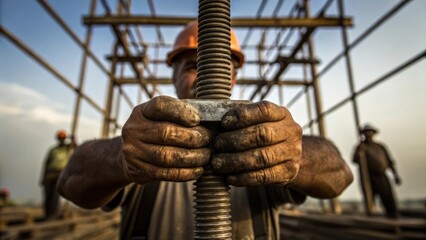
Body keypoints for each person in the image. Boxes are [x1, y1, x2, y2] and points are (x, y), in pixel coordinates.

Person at [58, 21, 353, 239]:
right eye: (190, 66)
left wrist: (294, 156)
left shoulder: (263, 146)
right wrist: (120, 158)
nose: (204, 76)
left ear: (234, 79)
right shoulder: (141, 148)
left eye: (220, 67)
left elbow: (339, 175)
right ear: (173, 76)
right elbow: (71, 180)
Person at [352, 124, 401, 218]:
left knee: (388, 197)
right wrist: (360, 153)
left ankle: (393, 218)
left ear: (373, 133)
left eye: (370, 132)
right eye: (366, 132)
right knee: (370, 198)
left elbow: (390, 161)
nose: (368, 134)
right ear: (363, 134)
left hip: (381, 175)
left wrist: (395, 175)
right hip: (368, 176)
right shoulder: (361, 147)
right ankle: (371, 218)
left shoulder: (380, 146)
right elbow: (354, 160)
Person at [40, 130, 76, 220]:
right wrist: (43, 178)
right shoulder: (53, 150)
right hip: (49, 174)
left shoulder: (67, 148)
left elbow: (76, 147)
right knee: (47, 195)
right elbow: (46, 164)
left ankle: (53, 214)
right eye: (60, 138)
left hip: (60, 174)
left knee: (55, 196)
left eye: (63, 138)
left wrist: (73, 139)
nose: (61, 140)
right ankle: (47, 214)